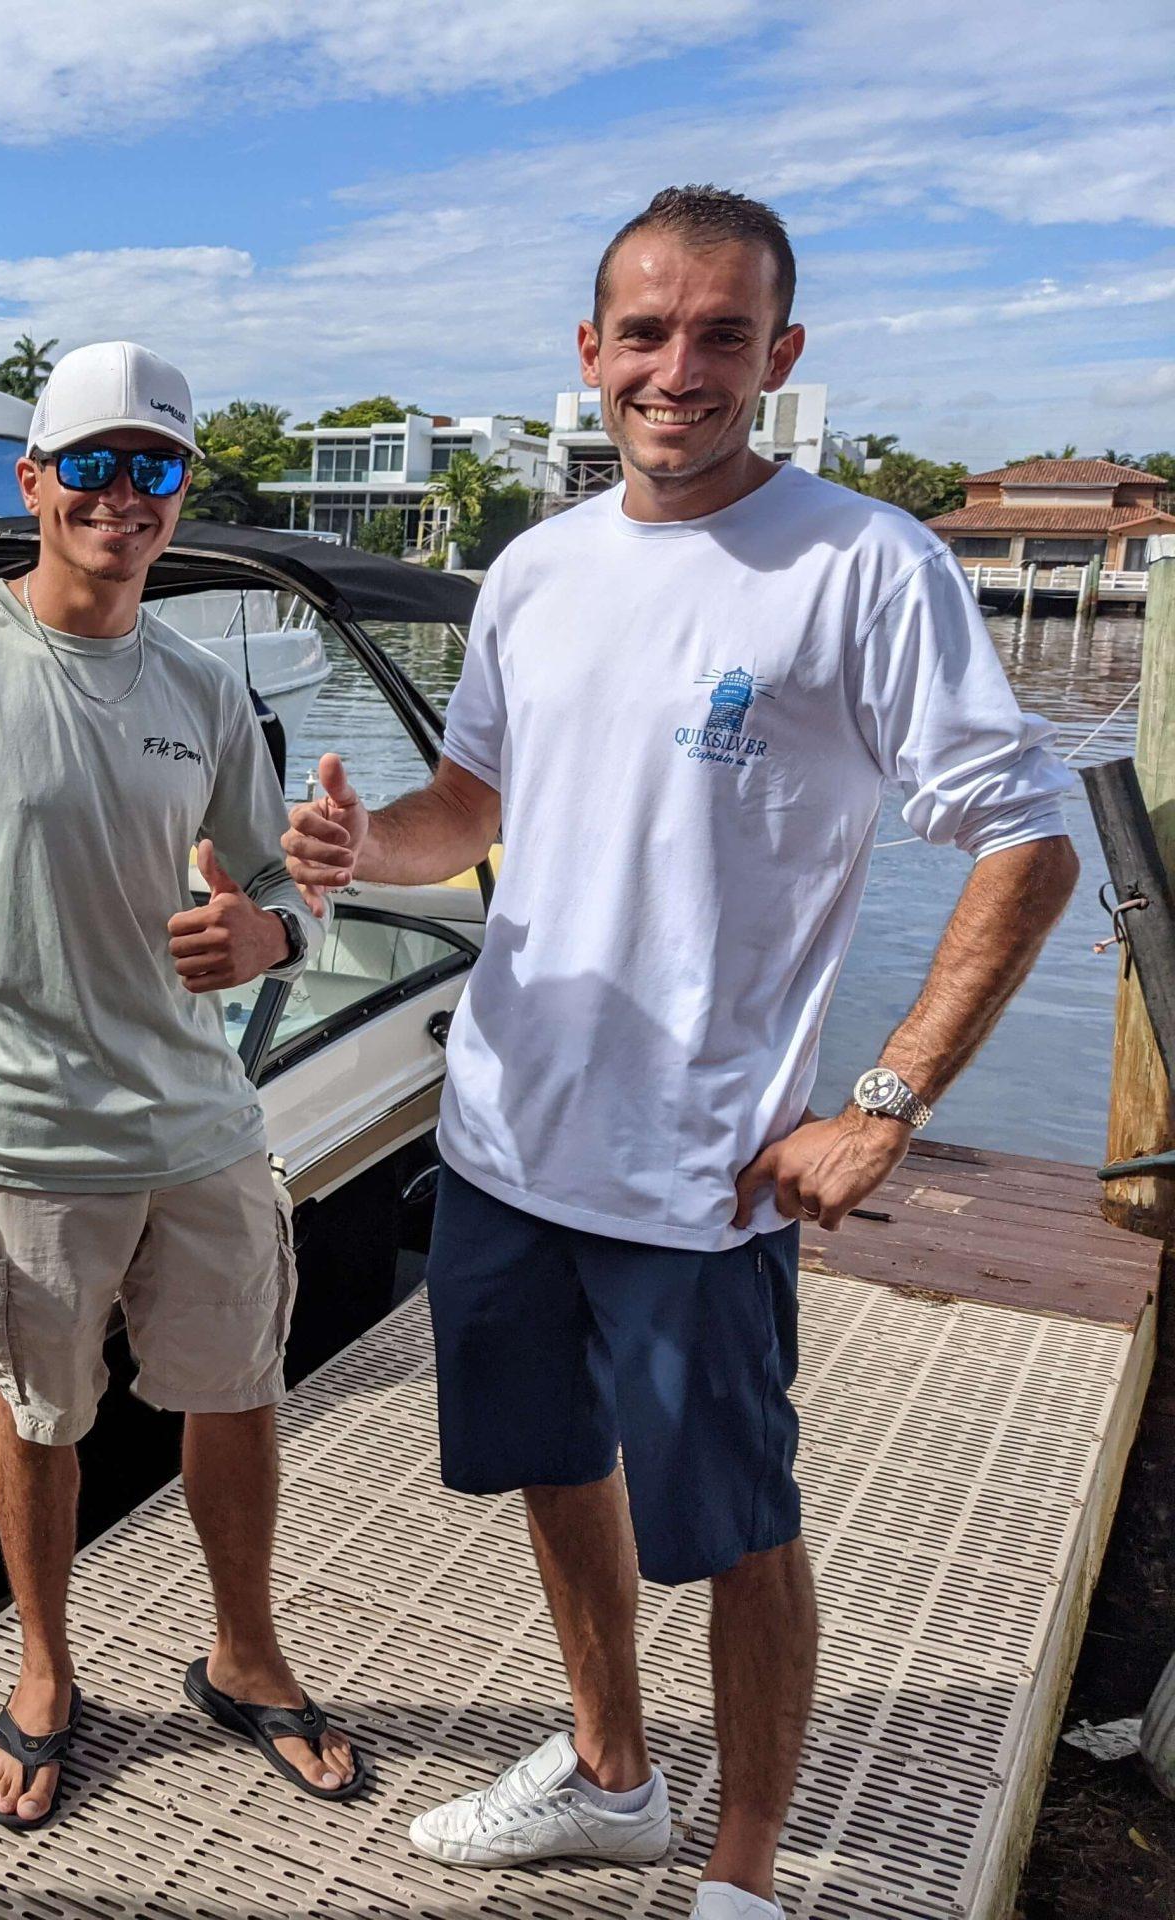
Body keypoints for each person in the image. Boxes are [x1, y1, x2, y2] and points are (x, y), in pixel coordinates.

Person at [284, 185, 1078, 1920]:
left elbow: (1025, 838)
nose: (680, 366)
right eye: (646, 331)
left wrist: (885, 1103)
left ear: (781, 357)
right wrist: (361, 852)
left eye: (724, 333)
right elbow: (475, 808)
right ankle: (615, 1776)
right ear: (589, 356)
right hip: (501, 1138)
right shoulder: (538, 566)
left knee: (734, 1531)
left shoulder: (869, 563)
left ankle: (741, 1877)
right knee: (553, 1470)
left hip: (703, 1179)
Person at [0, 340, 361, 1832]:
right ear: (36, 483)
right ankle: (48, 1669)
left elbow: (275, 884)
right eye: (97, 466)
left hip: (202, 1128)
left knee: (237, 1395)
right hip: (28, 1138)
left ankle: (244, 1655)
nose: (125, 498)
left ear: (182, 495)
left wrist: (274, 930)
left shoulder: (201, 683)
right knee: (40, 1416)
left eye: (158, 469)